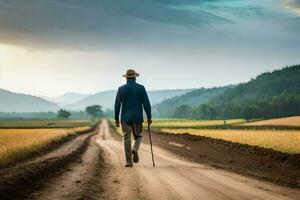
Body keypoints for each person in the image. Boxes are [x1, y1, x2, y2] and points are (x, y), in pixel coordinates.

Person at [114, 69, 152, 167]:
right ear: (135, 77)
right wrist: (149, 116)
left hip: (125, 118)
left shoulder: (121, 89)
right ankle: (134, 149)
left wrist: (116, 118)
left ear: (126, 78)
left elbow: (117, 105)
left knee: (126, 138)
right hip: (137, 117)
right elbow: (146, 103)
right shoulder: (141, 88)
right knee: (138, 136)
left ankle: (128, 162)